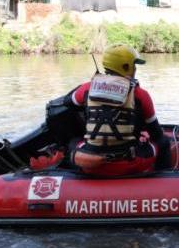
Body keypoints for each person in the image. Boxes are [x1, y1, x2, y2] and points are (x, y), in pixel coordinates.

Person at [70, 44, 171, 176]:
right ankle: (162, 178)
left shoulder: (86, 88)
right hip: (129, 164)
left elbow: (70, 102)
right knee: (163, 142)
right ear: (126, 67)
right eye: (134, 65)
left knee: (72, 141)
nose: (135, 69)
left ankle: (75, 178)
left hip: (91, 162)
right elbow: (156, 133)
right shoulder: (141, 94)